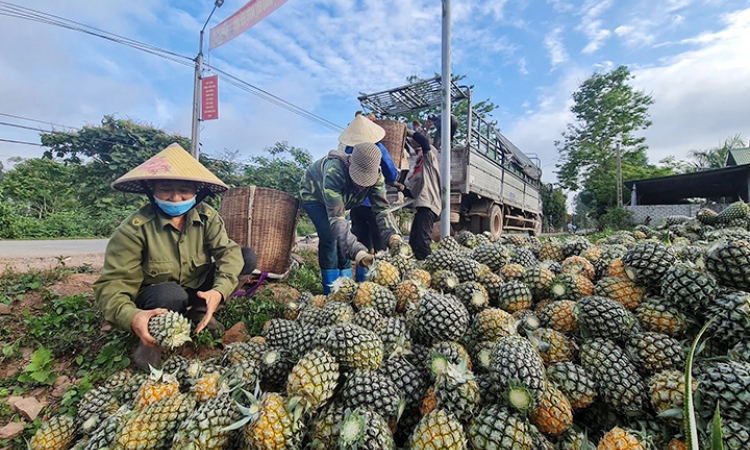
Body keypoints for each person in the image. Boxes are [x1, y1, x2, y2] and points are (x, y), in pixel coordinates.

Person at [93, 143, 257, 370]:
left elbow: (227, 253)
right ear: (152, 189)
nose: (176, 197)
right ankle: (151, 341)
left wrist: (218, 291)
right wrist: (131, 316)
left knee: (245, 257)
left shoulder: (207, 217)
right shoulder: (134, 229)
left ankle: (200, 312)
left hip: (196, 287)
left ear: (197, 192)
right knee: (171, 294)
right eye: (165, 188)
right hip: (157, 298)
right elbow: (113, 284)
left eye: (185, 190)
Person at [300, 141, 403, 293]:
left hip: (344, 201)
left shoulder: (377, 177)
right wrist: (359, 252)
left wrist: (393, 235)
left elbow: (382, 209)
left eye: (366, 182)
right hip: (315, 196)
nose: (362, 186)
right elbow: (336, 218)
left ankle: (346, 287)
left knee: (345, 239)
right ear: (350, 166)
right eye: (359, 180)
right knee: (330, 237)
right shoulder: (334, 171)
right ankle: (331, 290)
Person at [340, 113, 399, 282]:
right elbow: (391, 173)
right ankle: (380, 283)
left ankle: (361, 284)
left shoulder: (350, 148)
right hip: (374, 205)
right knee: (380, 246)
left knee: (362, 245)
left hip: (355, 204)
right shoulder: (378, 148)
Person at [404, 129, 441, 260]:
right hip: (422, 206)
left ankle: (430, 265)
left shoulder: (430, 159)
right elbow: (412, 193)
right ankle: (420, 266)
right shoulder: (420, 173)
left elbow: (424, 142)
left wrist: (407, 131)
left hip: (429, 205)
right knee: (414, 242)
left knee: (422, 242)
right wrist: (398, 186)